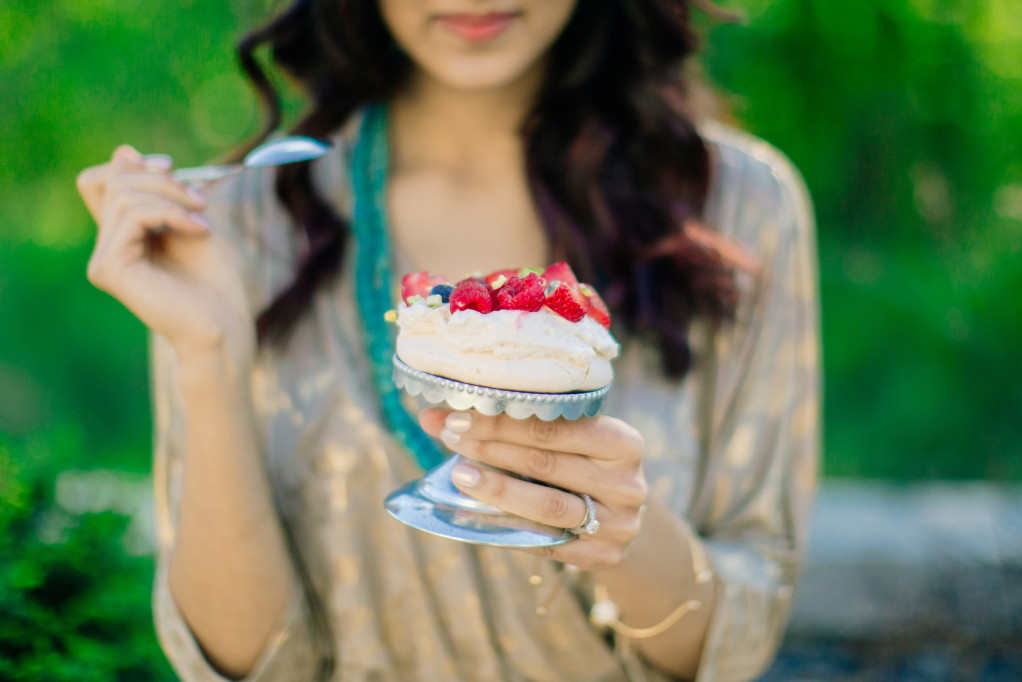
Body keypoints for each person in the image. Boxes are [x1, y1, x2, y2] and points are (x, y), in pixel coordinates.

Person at [75, 1, 820, 680]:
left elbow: (729, 649)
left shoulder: (737, 209)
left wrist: (621, 531)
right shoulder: (239, 224)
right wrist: (207, 353)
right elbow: (249, 665)